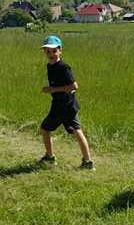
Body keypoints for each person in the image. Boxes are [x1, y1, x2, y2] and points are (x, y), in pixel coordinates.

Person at [38, 35, 94, 169]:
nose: (51, 54)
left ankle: (51, 158)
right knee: (75, 130)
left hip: (65, 105)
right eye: (48, 51)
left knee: (46, 129)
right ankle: (87, 162)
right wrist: (53, 89)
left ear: (60, 50)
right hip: (61, 104)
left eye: (54, 51)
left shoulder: (64, 67)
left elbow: (74, 86)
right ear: (44, 52)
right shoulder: (50, 66)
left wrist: (53, 89)